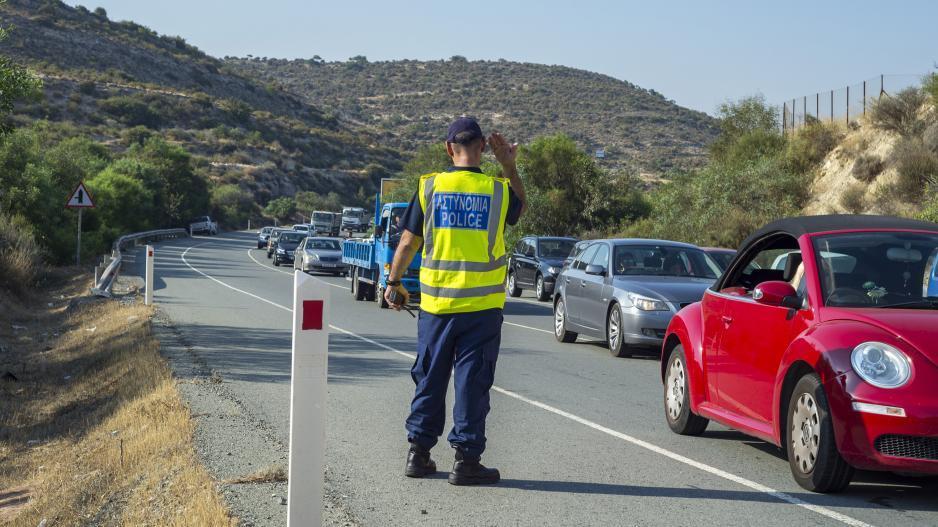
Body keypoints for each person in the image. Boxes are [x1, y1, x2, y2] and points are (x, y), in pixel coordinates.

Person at [384, 117, 525, 486]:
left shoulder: (430, 186)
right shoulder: (497, 189)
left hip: (436, 308)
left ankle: (418, 454)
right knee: (471, 383)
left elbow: (407, 242)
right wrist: (509, 165)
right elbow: (520, 208)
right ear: (482, 148)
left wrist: (394, 282)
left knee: (429, 377)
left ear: (449, 148)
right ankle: (466, 461)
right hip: (481, 311)